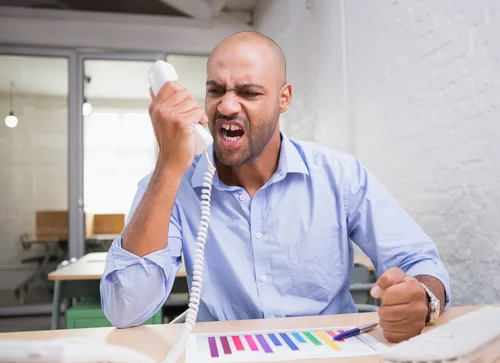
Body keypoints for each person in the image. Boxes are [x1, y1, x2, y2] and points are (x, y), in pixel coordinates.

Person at [100, 31, 451, 343]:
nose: (226, 106)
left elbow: (420, 261)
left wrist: (423, 298)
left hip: (329, 360)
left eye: (248, 92)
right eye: (216, 90)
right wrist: (167, 165)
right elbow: (125, 309)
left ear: (283, 99)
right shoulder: (169, 184)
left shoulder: (338, 175)